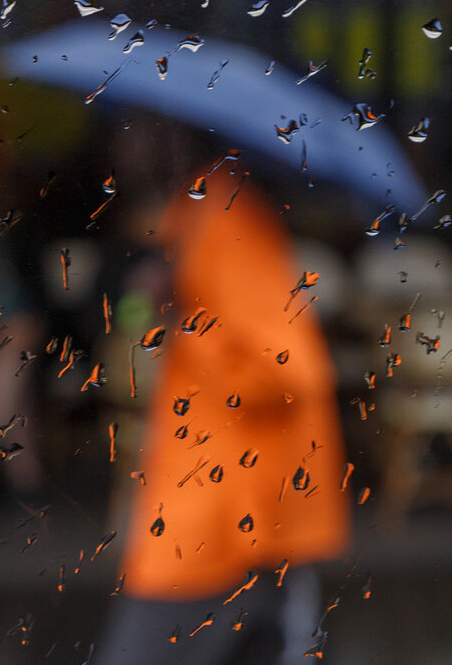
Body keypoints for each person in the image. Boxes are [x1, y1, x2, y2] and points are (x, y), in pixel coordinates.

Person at [95, 159, 351, 664]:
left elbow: (286, 371)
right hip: (226, 510)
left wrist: (187, 321)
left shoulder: (227, 218)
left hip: (221, 518)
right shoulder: (205, 214)